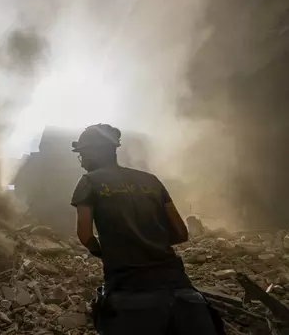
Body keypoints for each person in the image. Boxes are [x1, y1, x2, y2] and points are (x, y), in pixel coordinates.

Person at [70, 124, 223, 335]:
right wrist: (150, 241)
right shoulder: (151, 180)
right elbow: (181, 233)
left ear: (95, 152)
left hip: (128, 291)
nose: (82, 161)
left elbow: (85, 235)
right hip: (180, 290)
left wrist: (106, 251)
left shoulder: (89, 182)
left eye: (83, 154)